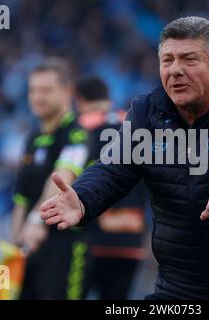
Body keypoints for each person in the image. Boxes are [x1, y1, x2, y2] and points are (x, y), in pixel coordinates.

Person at [40, 17, 209, 299]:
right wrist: (83, 197)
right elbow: (114, 168)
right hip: (180, 287)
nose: (175, 71)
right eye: (167, 60)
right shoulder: (146, 112)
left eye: (189, 59)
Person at [10, 58, 93, 299]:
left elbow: (61, 179)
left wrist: (37, 221)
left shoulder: (77, 134)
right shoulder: (32, 138)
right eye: (33, 90)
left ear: (67, 91)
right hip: (29, 246)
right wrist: (14, 246)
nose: (38, 97)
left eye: (46, 90)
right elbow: (21, 197)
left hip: (66, 245)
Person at [75, 76, 147, 299]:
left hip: (89, 240)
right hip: (132, 236)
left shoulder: (80, 129)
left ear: (79, 100)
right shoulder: (136, 126)